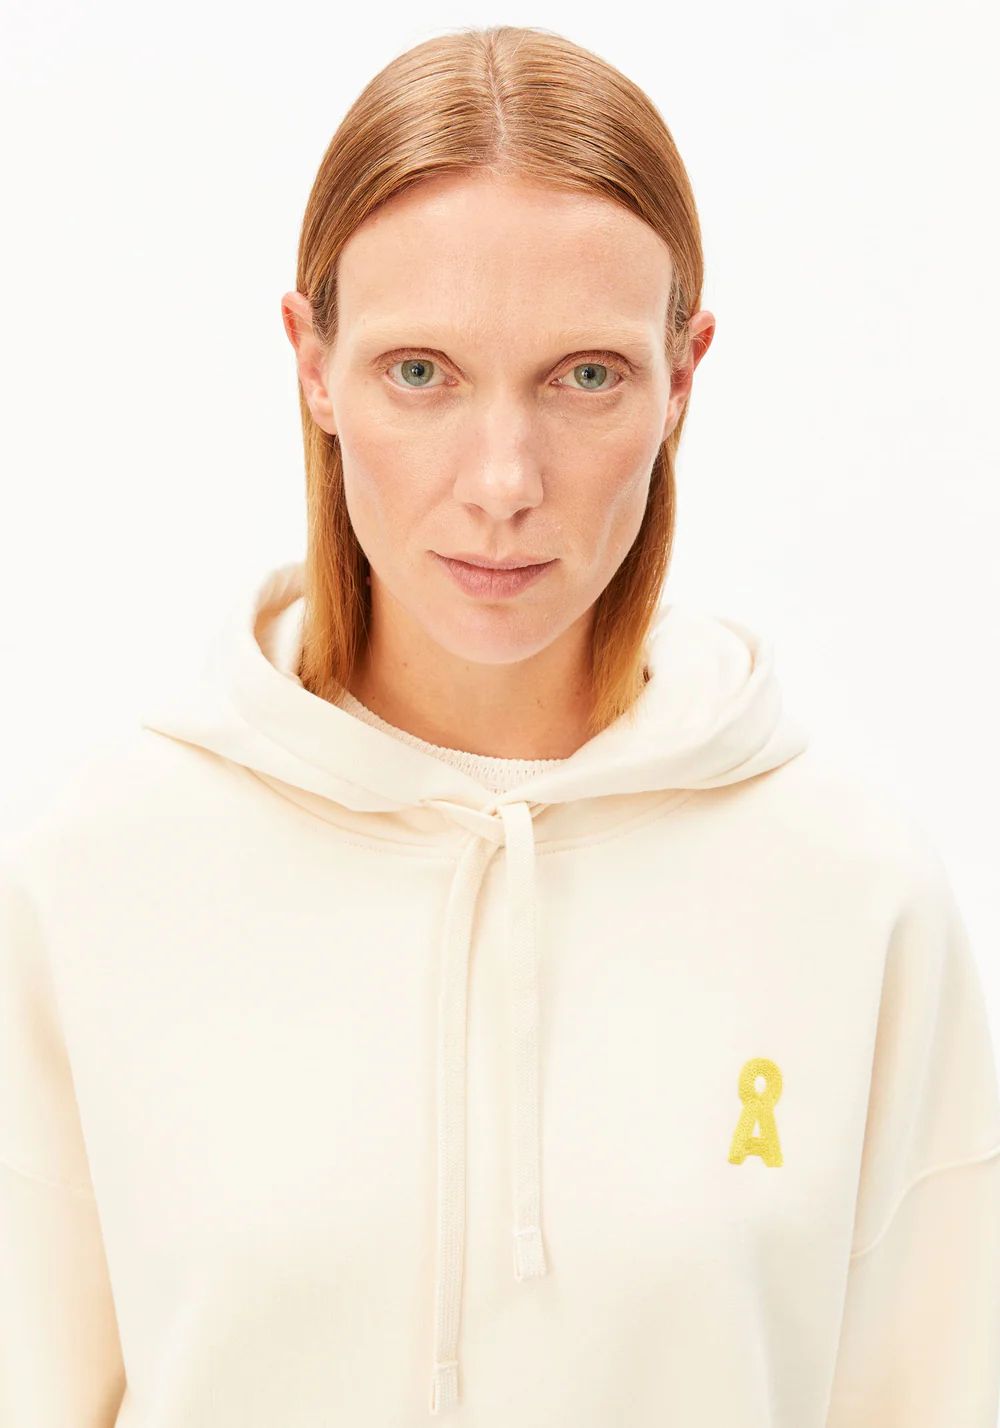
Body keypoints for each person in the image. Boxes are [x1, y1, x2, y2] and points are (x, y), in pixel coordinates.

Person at [2, 23, 998, 1428]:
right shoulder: (98, 876)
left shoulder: (854, 893)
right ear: (313, 363)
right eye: (421, 372)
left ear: (682, 376)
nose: (502, 481)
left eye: (585, 375)